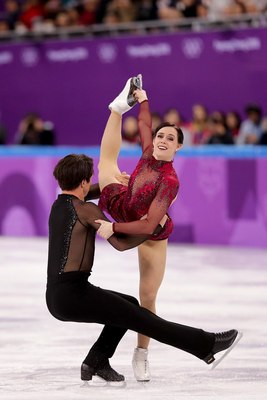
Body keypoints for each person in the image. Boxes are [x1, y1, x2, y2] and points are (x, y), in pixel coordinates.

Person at [46, 153, 241, 384]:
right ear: (83, 183)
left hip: (57, 295)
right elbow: (120, 243)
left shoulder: (58, 206)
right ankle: (206, 345)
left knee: (128, 305)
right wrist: (153, 229)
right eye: (89, 179)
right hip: (74, 295)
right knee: (144, 320)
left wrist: (118, 184)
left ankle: (96, 359)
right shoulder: (86, 210)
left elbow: (86, 190)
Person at [95, 75, 184, 382]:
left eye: (170, 139)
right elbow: (145, 124)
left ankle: (141, 353)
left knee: (147, 295)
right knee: (106, 164)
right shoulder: (148, 151)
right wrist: (142, 98)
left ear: (178, 147)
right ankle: (117, 109)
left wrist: (113, 227)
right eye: (161, 135)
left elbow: (148, 223)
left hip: (149, 232)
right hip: (124, 203)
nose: (161, 140)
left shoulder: (170, 181)